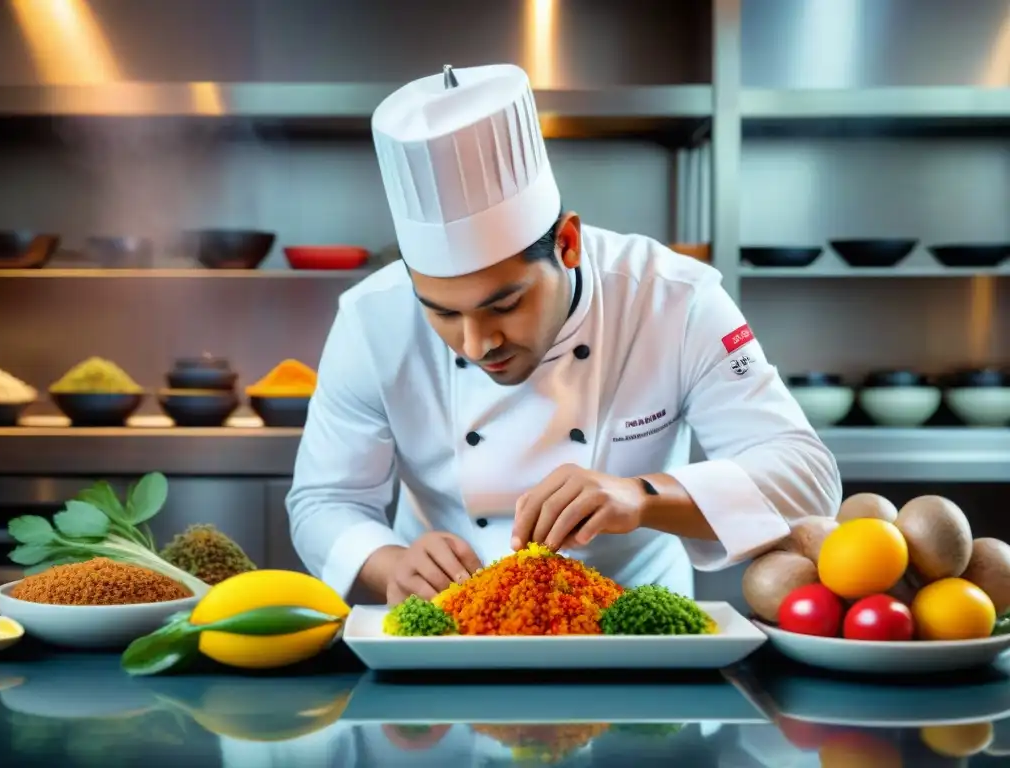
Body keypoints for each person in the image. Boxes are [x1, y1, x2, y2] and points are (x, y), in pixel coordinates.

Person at [286, 63, 842, 606]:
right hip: (449, 632)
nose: (478, 345)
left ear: (568, 244)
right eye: (443, 314)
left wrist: (642, 495)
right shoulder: (370, 320)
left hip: (640, 634)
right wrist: (389, 564)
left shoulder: (674, 299)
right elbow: (323, 500)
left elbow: (805, 476)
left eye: (505, 304)